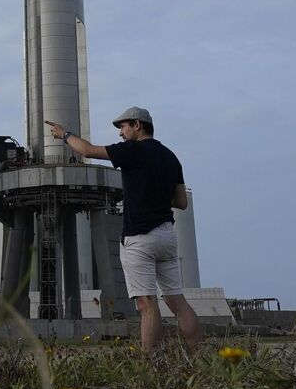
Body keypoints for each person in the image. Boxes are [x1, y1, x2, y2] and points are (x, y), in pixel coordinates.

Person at [45, 107, 200, 355]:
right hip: (167, 235)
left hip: (140, 236)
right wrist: (155, 194)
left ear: (138, 125)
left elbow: (86, 150)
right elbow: (181, 202)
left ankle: (150, 362)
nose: (120, 132)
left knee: (146, 303)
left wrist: (64, 135)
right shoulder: (171, 157)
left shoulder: (132, 150)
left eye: (123, 127)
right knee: (177, 301)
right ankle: (199, 356)